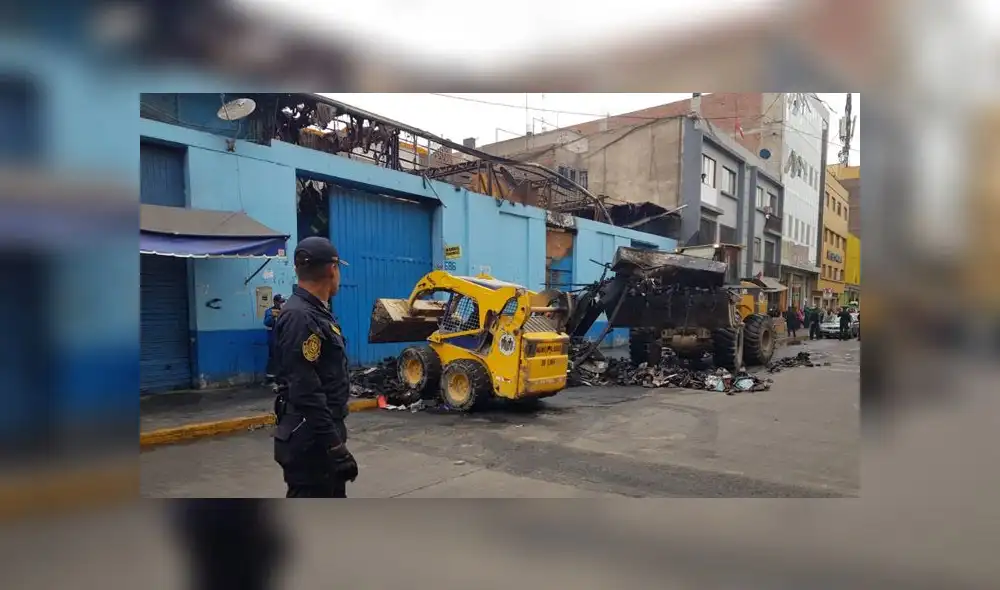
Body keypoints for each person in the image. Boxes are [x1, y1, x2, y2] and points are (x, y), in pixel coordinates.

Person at [272, 237, 358, 498]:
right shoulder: (301, 316)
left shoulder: (315, 311)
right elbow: (305, 389)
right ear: (333, 269)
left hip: (317, 435)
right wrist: (333, 445)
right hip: (311, 441)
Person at [263, 294, 285, 382]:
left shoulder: (285, 311)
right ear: (275, 302)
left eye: (283, 302)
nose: (282, 304)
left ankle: (282, 376)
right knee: (273, 357)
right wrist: (273, 316)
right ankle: (270, 377)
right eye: (280, 302)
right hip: (273, 338)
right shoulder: (270, 311)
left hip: (284, 338)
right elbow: (266, 322)